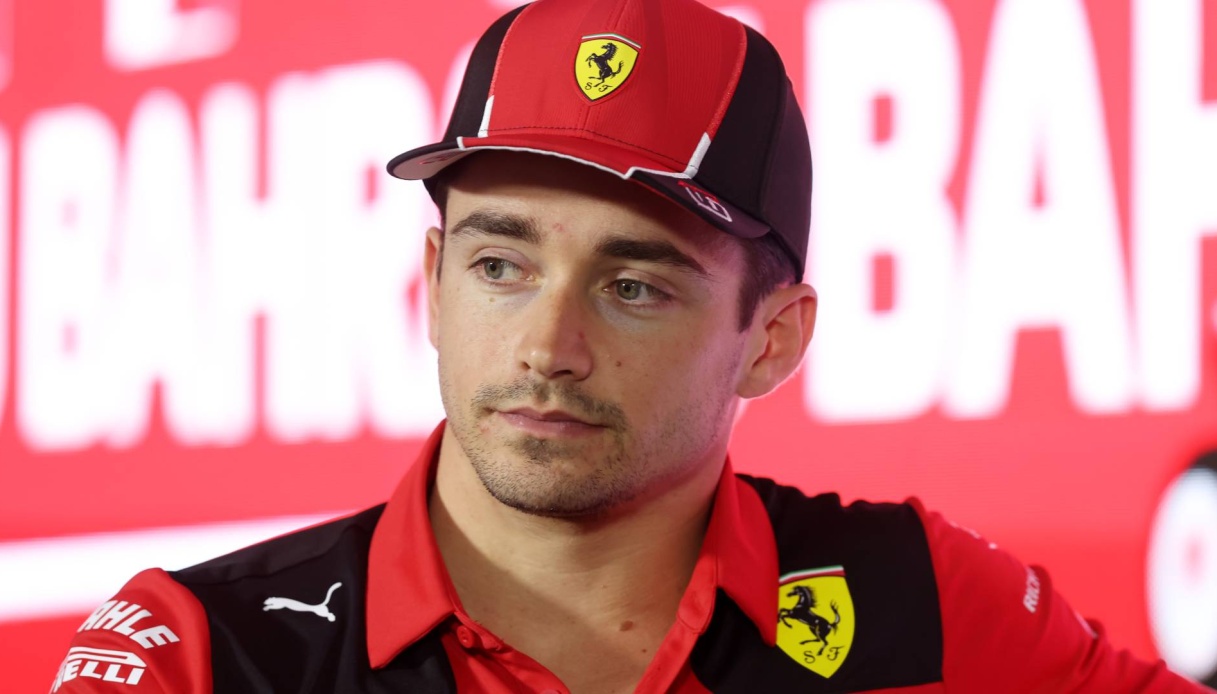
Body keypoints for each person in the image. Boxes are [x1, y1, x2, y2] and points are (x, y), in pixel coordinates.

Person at [50, 0, 1212, 692]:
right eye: (499, 266)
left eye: (632, 286)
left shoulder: (922, 601)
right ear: (433, 282)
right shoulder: (198, 655)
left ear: (771, 340)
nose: (547, 345)